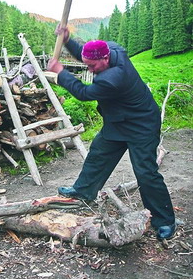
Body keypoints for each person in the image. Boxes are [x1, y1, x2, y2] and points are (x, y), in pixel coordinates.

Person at [47, 26, 176, 240]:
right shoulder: (110, 49)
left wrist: (61, 72)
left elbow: (83, 92)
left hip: (141, 124)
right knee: (99, 153)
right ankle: (84, 191)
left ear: (105, 59)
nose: (89, 70)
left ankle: (165, 220)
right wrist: (68, 40)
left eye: (92, 66)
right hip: (118, 120)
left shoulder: (114, 77)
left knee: (146, 172)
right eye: (87, 65)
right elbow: (85, 54)